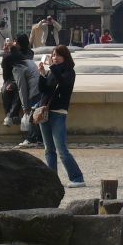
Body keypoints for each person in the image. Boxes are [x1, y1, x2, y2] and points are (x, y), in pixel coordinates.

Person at [36, 45, 85, 187]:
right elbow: (43, 90)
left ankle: (77, 178)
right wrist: (42, 74)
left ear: (65, 57)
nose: (54, 58)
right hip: (45, 112)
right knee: (48, 149)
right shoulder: (52, 71)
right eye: (53, 55)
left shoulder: (69, 72)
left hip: (58, 113)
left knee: (62, 149)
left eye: (57, 55)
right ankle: (52, 181)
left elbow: (63, 83)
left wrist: (52, 68)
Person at [4, 35, 43, 146]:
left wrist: (25, 107)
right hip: (40, 88)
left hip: (34, 90)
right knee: (36, 115)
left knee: (32, 115)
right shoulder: (26, 60)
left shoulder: (17, 68)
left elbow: (22, 88)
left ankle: (31, 139)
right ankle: (39, 139)